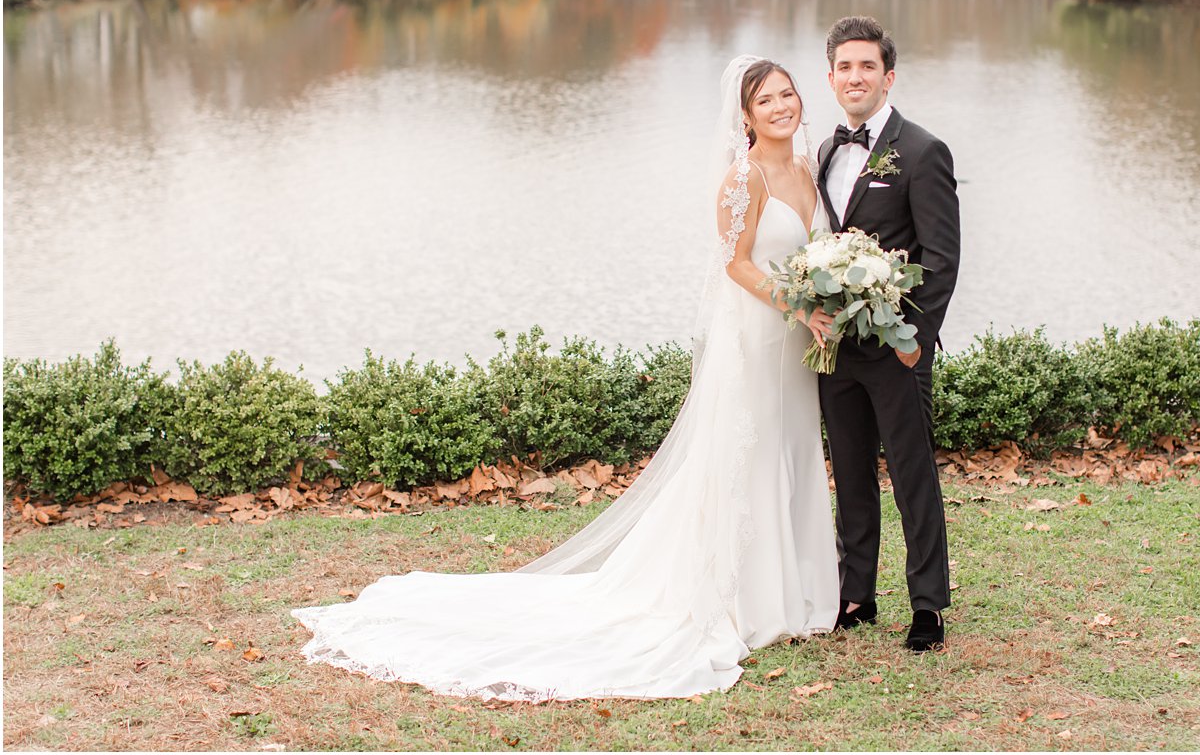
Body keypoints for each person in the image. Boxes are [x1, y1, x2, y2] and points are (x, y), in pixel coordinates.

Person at [292, 56, 838, 701]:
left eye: (787, 94)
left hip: (802, 344)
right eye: (765, 99)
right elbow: (736, 266)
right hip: (756, 338)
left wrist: (824, 302)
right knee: (748, 456)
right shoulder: (739, 180)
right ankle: (752, 603)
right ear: (744, 116)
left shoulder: (805, 169)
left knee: (794, 448)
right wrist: (798, 305)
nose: (781, 106)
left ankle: (802, 594)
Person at [815, 16, 961, 652]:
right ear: (831, 77)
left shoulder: (923, 151)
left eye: (866, 66)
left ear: (888, 75)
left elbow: (942, 258)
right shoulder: (824, 150)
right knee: (848, 471)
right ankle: (857, 594)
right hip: (834, 349)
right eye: (844, 67)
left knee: (911, 475)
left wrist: (914, 339)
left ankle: (928, 605)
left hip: (897, 349)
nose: (855, 77)